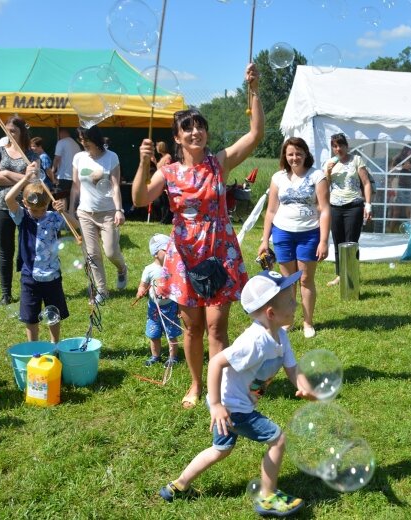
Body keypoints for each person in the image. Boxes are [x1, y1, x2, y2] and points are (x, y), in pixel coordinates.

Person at [132, 63, 263, 409]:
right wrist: (143, 164)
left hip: (219, 252)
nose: (195, 133)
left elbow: (255, 136)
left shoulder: (219, 164)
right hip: (186, 256)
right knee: (192, 330)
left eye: (199, 127)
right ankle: (194, 384)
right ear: (177, 137)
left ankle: (217, 389)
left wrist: (254, 90)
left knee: (218, 329)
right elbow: (140, 198)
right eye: (187, 129)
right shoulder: (169, 172)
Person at [158, 270, 313, 517]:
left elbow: (292, 367)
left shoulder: (280, 335)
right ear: (271, 314)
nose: (295, 304)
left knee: (221, 449)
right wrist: (217, 404)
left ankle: (178, 485)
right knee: (278, 439)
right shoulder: (254, 341)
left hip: (235, 402)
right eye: (290, 301)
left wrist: (302, 385)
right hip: (232, 406)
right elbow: (217, 362)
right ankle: (268, 497)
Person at [258, 137, 330, 339]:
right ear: (285, 156)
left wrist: (323, 240)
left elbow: (325, 210)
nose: (294, 157)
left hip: (309, 234)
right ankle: (288, 320)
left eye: (298, 153)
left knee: (306, 279)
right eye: (290, 154)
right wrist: (265, 240)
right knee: (288, 281)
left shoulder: (318, 176)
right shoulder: (278, 178)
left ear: (306, 154)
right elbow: (271, 211)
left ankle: (308, 322)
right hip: (282, 233)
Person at [5, 168, 77, 343]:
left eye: (43, 209)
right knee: (30, 317)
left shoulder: (53, 217)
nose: (39, 213)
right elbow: (8, 199)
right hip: (30, 276)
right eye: (35, 210)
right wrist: (25, 179)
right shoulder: (22, 217)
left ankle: (55, 343)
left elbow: (76, 226)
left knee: (54, 313)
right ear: (25, 203)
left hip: (52, 275)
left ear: (48, 204)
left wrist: (63, 212)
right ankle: (33, 346)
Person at [69, 125, 128, 303]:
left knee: (110, 251)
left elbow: (116, 185)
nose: (83, 143)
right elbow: (75, 186)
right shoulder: (78, 158)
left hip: (108, 212)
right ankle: (102, 291)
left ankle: (122, 269)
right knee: (92, 254)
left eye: (86, 139)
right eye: (80, 139)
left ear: (95, 138)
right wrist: (71, 210)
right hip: (85, 212)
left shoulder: (112, 157)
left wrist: (119, 210)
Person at [0, 115, 39, 305]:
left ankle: (30, 289)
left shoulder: (32, 155)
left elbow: (34, 180)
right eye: (7, 130)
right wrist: (22, 177)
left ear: (22, 131)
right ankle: (6, 293)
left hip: (25, 208)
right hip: (1, 207)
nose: (9, 133)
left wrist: (7, 173)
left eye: (13, 130)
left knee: (27, 249)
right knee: (4, 252)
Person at [324, 133, 373, 287]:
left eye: (341, 145)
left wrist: (368, 204)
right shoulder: (329, 164)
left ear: (346, 146)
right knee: (338, 243)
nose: (338, 149)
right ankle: (340, 276)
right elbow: (323, 188)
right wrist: (328, 173)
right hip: (335, 207)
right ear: (332, 148)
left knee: (351, 243)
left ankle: (351, 275)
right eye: (335, 146)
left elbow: (366, 183)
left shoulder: (356, 160)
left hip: (354, 206)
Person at [136, 233, 182, 367]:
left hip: (170, 306)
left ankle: (173, 357)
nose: (170, 253)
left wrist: (179, 307)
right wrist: (140, 292)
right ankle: (155, 356)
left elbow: (178, 289)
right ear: (156, 253)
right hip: (154, 308)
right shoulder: (149, 270)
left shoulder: (173, 268)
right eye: (166, 250)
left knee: (171, 333)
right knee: (154, 333)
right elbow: (143, 285)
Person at [387, 146, 411, 232]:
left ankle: (410, 231)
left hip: (409, 188)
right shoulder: (398, 158)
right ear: (407, 150)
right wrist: (402, 167)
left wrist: (409, 166)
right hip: (399, 187)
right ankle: (390, 230)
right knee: (396, 212)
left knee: (409, 213)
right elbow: (391, 171)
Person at [52, 127, 81, 200]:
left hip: (64, 176)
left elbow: (57, 158)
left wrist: (52, 170)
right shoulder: (76, 144)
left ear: (61, 134)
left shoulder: (61, 142)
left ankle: (63, 211)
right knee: (71, 198)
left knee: (62, 199)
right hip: (75, 176)